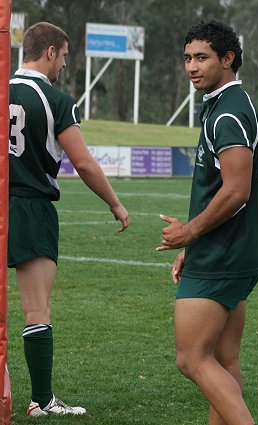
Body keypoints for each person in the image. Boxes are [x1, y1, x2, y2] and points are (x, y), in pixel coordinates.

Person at [8, 22, 130, 417]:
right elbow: (83, 162)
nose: (63, 64)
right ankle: (41, 400)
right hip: (31, 208)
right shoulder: (56, 99)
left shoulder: (2, 88)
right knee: (36, 309)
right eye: (62, 56)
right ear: (48, 52)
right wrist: (115, 203)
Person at [157, 20, 258, 425]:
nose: (192, 66)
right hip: (232, 249)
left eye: (202, 57)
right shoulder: (226, 105)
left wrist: (190, 232)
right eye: (187, 58)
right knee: (224, 360)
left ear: (228, 59)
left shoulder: (229, 113)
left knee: (191, 359)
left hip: (223, 253)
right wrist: (192, 244)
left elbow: (237, 191)